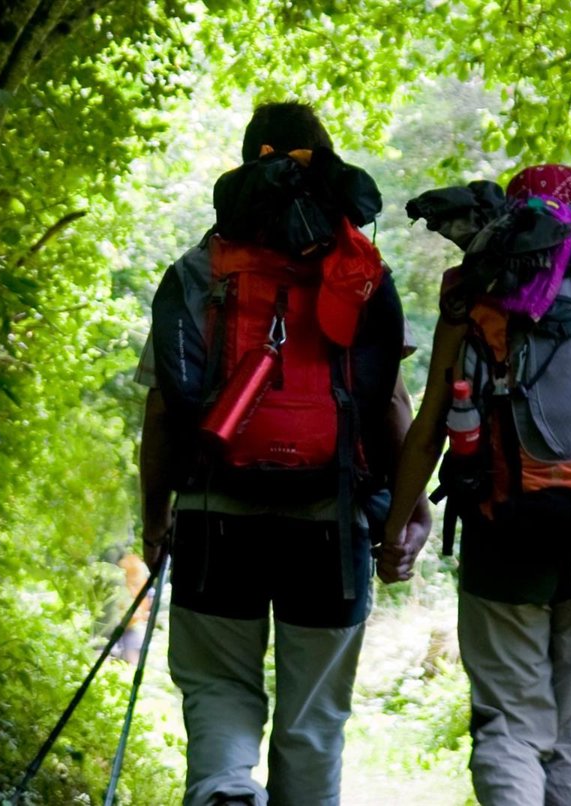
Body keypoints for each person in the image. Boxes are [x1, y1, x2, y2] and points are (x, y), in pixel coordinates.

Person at [136, 101, 430, 806]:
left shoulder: (200, 268)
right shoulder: (359, 270)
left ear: (249, 163)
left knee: (217, 686)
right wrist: (408, 508)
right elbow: (390, 403)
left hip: (214, 512)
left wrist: (154, 517)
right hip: (330, 520)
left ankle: (226, 791)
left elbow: (164, 409)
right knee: (314, 719)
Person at [379, 164, 571, 805]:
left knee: (510, 728)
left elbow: (429, 430)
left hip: (501, 536)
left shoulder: (470, 301)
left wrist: (397, 526)